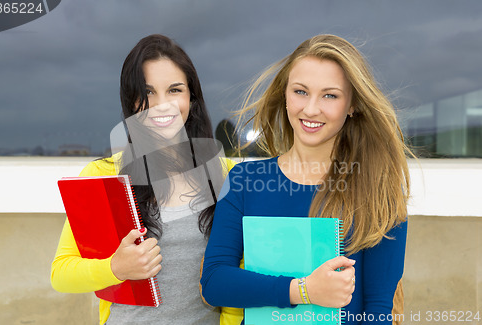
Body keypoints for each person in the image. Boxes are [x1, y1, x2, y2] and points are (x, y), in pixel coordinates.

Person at [200, 34, 411, 325]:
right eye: (300, 91)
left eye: (330, 95)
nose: (311, 109)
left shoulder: (378, 189)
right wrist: (304, 290)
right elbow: (214, 283)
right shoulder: (245, 181)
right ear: (284, 95)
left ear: (352, 105)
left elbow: (377, 309)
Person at [51, 34, 235, 325]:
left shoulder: (225, 174)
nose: (162, 105)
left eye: (175, 90)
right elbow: (61, 274)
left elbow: (238, 269)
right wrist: (115, 267)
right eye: (147, 93)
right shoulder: (104, 175)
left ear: (191, 98)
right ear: (131, 99)